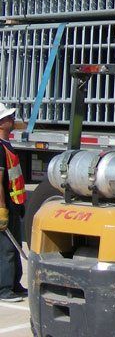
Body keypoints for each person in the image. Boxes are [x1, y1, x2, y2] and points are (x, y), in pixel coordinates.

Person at [0, 103, 27, 302]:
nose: (12, 119)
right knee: (7, 249)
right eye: (9, 117)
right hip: (5, 206)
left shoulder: (8, 146)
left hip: (14, 204)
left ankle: (15, 284)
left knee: (16, 245)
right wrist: (2, 209)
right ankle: (4, 289)